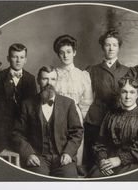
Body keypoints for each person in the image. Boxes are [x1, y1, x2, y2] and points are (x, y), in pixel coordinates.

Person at [11, 66, 83, 178]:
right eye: (45, 79)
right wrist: (28, 154)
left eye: (53, 79)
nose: (49, 83)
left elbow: (77, 132)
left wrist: (68, 153)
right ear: (38, 80)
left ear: (57, 81)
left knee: (69, 180)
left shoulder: (68, 104)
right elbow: (17, 134)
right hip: (38, 157)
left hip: (62, 157)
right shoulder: (27, 104)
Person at [88, 76, 138, 178]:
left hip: (135, 161)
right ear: (119, 93)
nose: (127, 96)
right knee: (95, 177)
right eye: (124, 92)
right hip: (110, 160)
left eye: (132, 92)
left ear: (137, 94)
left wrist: (120, 159)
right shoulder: (111, 114)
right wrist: (102, 160)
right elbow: (101, 142)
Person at [84, 29, 132, 170]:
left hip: (119, 119)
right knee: (94, 161)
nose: (111, 48)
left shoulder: (127, 71)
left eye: (114, 45)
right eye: (107, 45)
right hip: (96, 120)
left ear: (119, 47)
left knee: (114, 162)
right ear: (102, 47)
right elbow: (83, 96)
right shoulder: (92, 70)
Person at [0, 43, 37, 154]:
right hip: (1, 127)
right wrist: (2, 109)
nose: (18, 60)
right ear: (8, 58)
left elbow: (33, 106)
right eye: (14, 57)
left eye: (21, 57)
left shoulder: (30, 79)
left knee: (24, 156)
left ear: (25, 60)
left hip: (23, 128)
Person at [53, 34, 93, 175]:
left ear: (74, 52)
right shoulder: (53, 74)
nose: (65, 55)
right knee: (56, 150)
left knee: (75, 153)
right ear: (58, 54)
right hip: (55, 115)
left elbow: (86, 102)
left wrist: (79, 122)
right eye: (62, 52)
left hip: (76, 116)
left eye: (68, 52)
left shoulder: (82, 75)